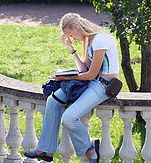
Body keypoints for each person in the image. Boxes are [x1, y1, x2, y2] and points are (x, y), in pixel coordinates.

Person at [24, 13, 120, 163]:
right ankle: (45, 150)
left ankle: (90, 149)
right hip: (91, 81)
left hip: (103, 85)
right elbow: (84, 70)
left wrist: (66, 78)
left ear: (75, 27)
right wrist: (72, 49)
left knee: (69, 118)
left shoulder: (100, 40)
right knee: (52, 101)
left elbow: (91, 74)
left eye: (71, 35)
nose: (73, 38)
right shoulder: (90, 40)